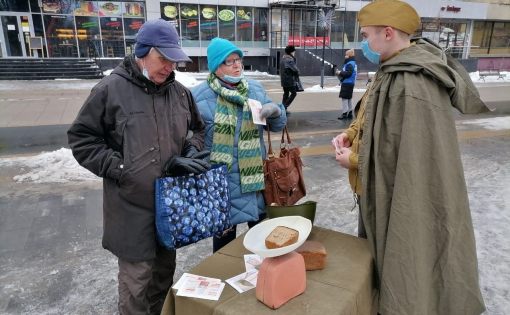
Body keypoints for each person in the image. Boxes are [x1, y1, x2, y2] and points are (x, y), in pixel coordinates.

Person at [335, 0, 488, 314]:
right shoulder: (392, 70)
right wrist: (351, 134)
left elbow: (404, 160)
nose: (364, 43)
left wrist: (353, 160)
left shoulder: (412, 81)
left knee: (406, 262)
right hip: (382, 195)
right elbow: (372, 118)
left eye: (367, 35)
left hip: (402, 198)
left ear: (388, 33)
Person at [67, 19, 209, 315]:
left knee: (162, 275)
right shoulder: (110, 89)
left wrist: (189, 151)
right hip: (131, 209)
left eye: (174, 60)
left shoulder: (180, 93)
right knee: (136, 283)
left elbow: (198, 130)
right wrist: (121, 168)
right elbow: (82, 139)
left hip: (170, 208)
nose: (170, 66)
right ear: (142, 51)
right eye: (164, 59)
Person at [192, 38, 287, 252]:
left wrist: (276, 111)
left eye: (239, 60)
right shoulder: (197, 96)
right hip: (221, 186)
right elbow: (189, 137)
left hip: (255, 182)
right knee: (225, 251)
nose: (237, 65)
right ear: (216, 67)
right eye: (229, 61)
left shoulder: (254, 89)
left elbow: (277, 126)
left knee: (265, 245)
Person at [335, 49, 357, 120]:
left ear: (349, 55)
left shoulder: (349, 63)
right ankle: (350, 112)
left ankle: (344, 113)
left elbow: (348, 73)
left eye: (346, 55)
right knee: (349, 98)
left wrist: (340, 73)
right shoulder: (353, 63)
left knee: (344, 98)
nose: (345, 56)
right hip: (351, 82)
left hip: (347, 83)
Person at [280, 45, 300, 111]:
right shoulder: (289, 60)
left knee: (286, 93)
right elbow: (295, 70)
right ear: (291, 52)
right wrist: (297, 74)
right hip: (289, 80)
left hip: (283, 80)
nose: (294, 53)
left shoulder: (283, 58)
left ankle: (283, 107)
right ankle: (285, 106)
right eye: (294, 51)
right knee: (294, 93)